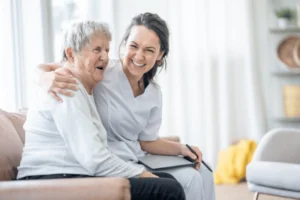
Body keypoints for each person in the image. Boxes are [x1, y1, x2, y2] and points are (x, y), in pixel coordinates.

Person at [38, 13, 215, 200]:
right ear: (124, 45)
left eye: (149, 50)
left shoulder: (154, 93)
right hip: (110, 162)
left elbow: (146, 141)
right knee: (190, 180)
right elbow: (62, 65)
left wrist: (182, 149)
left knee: (204, 171)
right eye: (133, 46)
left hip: (137, 157)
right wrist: (42, 77)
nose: (139, 56)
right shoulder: (102, 71)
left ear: (160, 54)